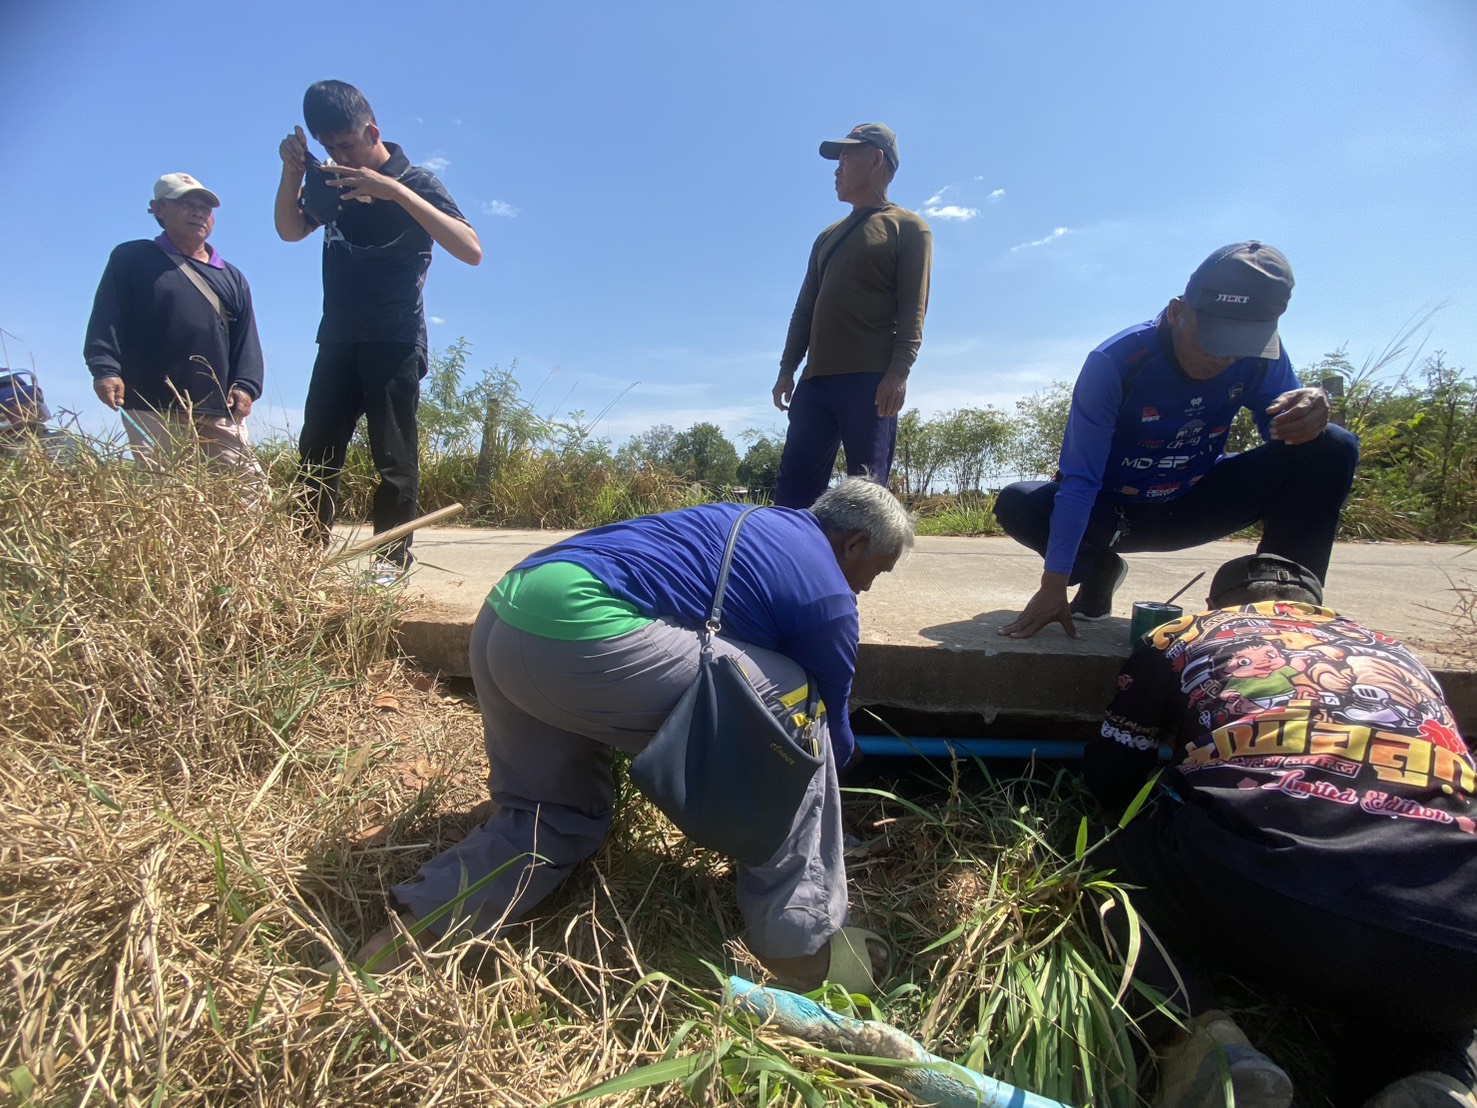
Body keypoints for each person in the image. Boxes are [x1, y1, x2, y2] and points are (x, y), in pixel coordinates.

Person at [359, 478, 915, 992]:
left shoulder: (749, 521)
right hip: (581, 635)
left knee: (550, 813)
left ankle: (402, 941)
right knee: (798, 704)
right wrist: (841, 773)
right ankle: (800, 945)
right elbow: (829, 730)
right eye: (878, 571)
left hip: (508, 613)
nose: (868, 586)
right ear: (854, 544)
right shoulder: (828, 596)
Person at [1085, 553, 1477, 1108]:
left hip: (1262, 885)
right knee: (1428, 984)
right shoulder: (1393, 648)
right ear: (1318, 607)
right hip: (1460, 924)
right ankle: (1433, 1078)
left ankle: (1196, 1044)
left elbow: (1113, 774)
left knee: (1102, 870)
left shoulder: (1184, 632)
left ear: (1216, 604)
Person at [994, 241, 1359, 639]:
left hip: (1194, 502)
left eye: (1239, 347)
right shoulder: (1117, 362)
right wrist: (1053, 586)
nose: (1223, 359)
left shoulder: (1260, 356)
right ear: (1176, 312)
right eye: (1214, 339)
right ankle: (1100, 570)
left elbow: (1285, 440)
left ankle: (1284, 610)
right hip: (1117, 515)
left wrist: (1308, 413)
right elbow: (1080, 480)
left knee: (1331, 446)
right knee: (1019, 502)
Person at [274, 79, 482, 579]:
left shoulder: (415, 179)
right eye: (329, 146)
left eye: (347, 144)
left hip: (395, 337)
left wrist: (393, 192)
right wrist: (291, 173)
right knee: (316, 453)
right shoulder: (331, 179)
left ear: (372, 131)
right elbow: (289, 230)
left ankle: (390, 562)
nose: (340, 156)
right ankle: (301, 561)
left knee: (393, 456)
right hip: (338, 336)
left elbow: (471, 249)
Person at [770, 123, 931, 509]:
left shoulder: (908, 228)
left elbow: (914, 308)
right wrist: (787, 368)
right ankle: (794, 552)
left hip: (870, 383)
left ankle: (858, 555)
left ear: (876, 160)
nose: (837, 169)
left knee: (864, 498)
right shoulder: (826, 237)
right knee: (793, 494)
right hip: (815, 382)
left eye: (845, 157)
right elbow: (805, 308)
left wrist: (898, 373)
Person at [84, 173, 264, 477]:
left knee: (247, 488)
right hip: (150, 403)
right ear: (158, 209)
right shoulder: (133, 258)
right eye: (187, 204)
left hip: (218, 405)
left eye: (205, 208)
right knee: (167, 491)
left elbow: (246, 338)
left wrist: (246, 386)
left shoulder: (231, 276)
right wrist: (105, 370)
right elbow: (107, 318)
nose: (198, 213)